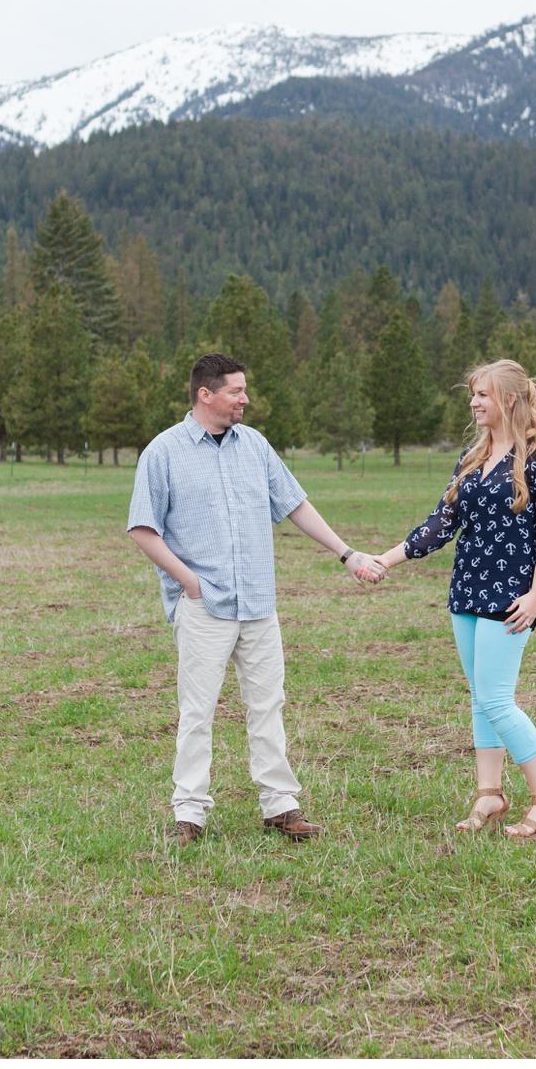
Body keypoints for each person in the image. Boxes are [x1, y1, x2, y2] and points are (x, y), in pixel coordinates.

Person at [127, 352, 380, 845]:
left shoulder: (255, 446)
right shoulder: (163, 452)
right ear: (206, 394)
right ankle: (190, 814)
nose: (245, 399)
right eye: (236, 391)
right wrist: (190, 583)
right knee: (197, 711)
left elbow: (295, 505)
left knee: (268, 704)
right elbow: (143, 529)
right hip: (204, 605)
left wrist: (346, 553)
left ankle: (280, 806)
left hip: (259, 603)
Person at [364, 359, 536, 840]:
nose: (474, 403)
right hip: (466, 593)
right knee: (481, 698)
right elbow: (441, 525)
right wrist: (385, 559)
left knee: (498, 699)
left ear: (511, 399)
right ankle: (489, 794)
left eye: (483, 394)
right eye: (473, 394)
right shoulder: (472, 459)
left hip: (510, 597)